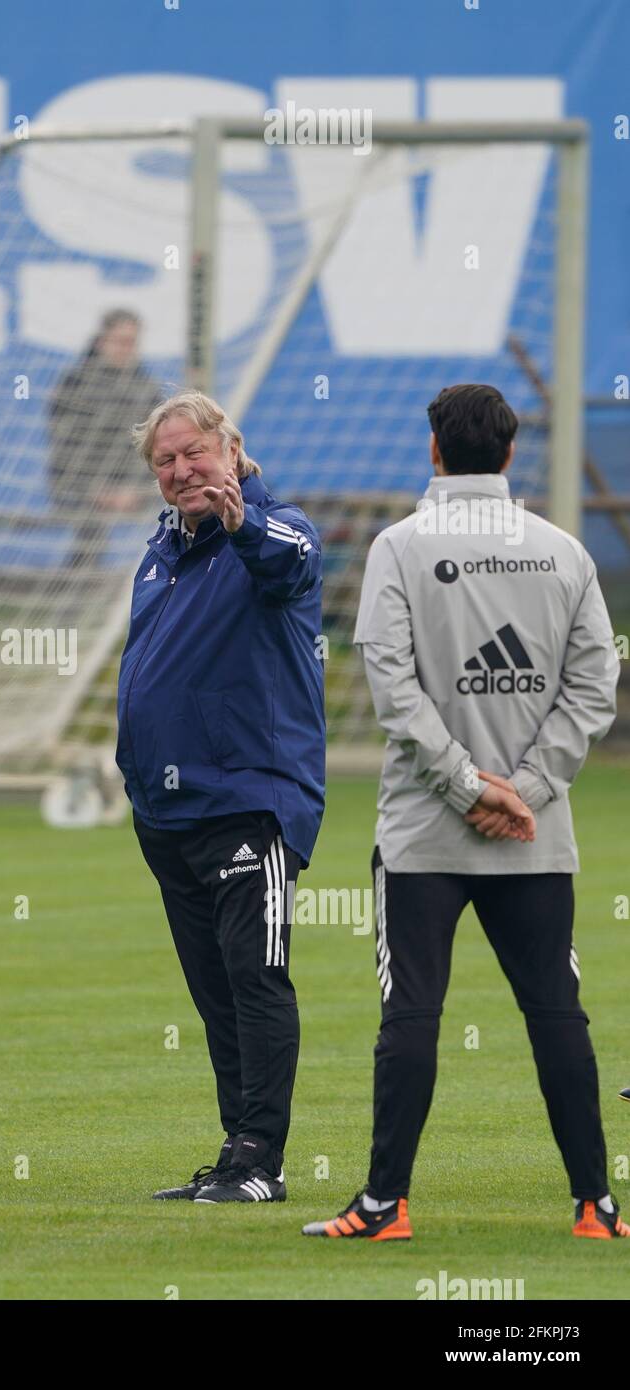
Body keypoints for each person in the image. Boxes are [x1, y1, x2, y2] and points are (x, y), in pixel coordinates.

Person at [304, 383, 626, 1240]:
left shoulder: (399, 547)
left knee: (410, 1013)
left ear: (434, 452)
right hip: (534, 833)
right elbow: (595, 686)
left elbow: (392, 691)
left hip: (422, 836)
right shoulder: (562, 551)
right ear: (511, 455)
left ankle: (384, 1206)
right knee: (555, 1012)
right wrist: (522, 791)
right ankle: (595, 1206)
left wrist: (467, 787)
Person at [117, 388, 325, 1204]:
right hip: (167, 813)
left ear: (231, 449)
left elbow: (286, 563)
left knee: (256, 978)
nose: (180, 471)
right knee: (214, 994)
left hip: (248, 800)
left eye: (192, 453)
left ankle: (261, 1162)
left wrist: (240, 523)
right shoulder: (159, 550)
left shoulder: (276, 529)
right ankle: (234, 1154)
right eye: (164, 461)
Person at [48, 308, 164, 571]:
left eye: (132, 343)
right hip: (81, 487)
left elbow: (153, 449)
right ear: (101, 341)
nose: (126, 349)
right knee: (89, 528)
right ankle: (79, 581)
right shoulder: (74, 385)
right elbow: (65, 450)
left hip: (133, 490)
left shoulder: (147, 389)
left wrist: (134, 490)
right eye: (120, 341)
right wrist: (97, 490)